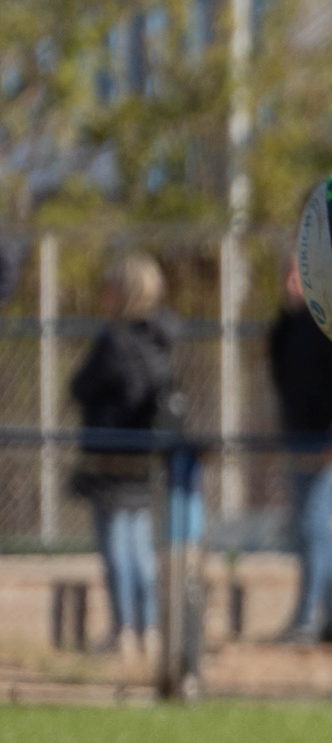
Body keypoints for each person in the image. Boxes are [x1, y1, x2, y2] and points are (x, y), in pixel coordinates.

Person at [69, 253, 175, 655]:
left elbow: (79, 386)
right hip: (142, 462)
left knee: (120, 548)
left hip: (112, 461)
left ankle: (125, 628)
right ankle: (146, 628)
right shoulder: (161, 341)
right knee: (140, 549)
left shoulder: (114, 342)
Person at [269, 255, 332, 645]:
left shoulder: (329, 324)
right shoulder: (285, 327)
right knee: (319, 531)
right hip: (299, 439)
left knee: (312, 529)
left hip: (326, 443)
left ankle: (307, 620)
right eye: (287, 276)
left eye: (299, 276)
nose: (292, 284)